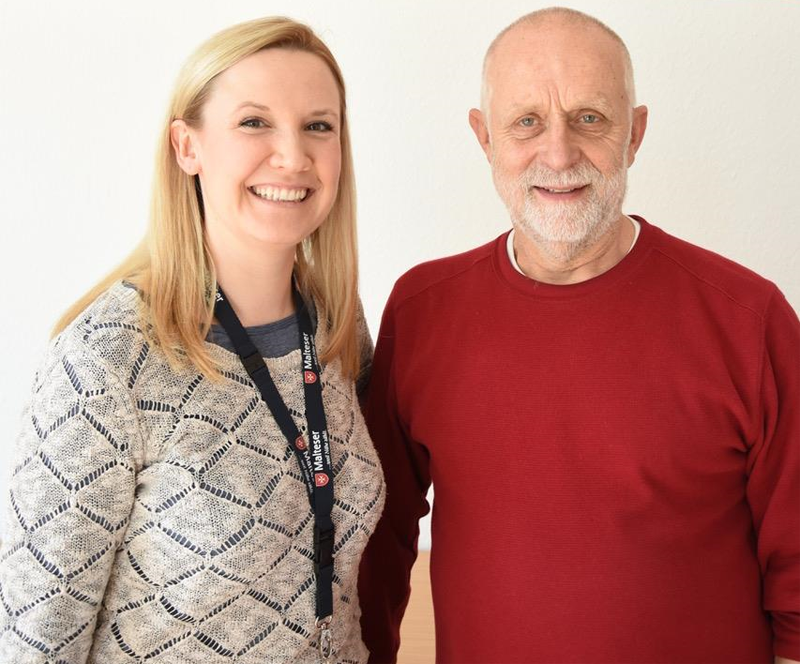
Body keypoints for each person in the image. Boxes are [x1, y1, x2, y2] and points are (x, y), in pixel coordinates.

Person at [358, 7, 800, 664]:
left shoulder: (748, 316)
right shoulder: (422, 310)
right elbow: (377, 536)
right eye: (526, 122)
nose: (558, 153)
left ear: (635, 134)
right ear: (485, 138)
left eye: (590, 119)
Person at [0, 16, 384, 663]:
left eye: (319, 125)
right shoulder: (106, 360)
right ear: (187, 147)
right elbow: (35, 637)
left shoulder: (337, 325)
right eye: (254, 122)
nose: (292, 155)